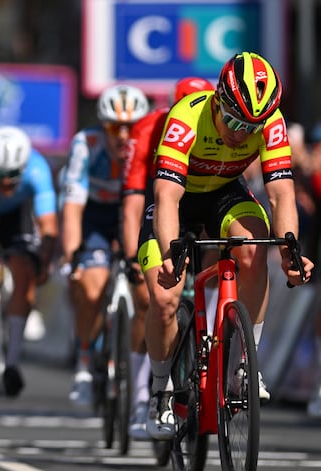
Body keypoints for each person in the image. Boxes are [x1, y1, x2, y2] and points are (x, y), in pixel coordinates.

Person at [140, 52, 314, 439]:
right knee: (165, 299)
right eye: (234, 121)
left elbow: (282, 194)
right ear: (218, 99)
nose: (239, 133)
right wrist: (171, 251)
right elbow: (167, 196)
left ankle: (243, 368)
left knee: (255, 249)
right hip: (179, 199)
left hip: (224, 192)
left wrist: (290, 252)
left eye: (250, 127)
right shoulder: (187, 116)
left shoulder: (270, 122)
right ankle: (158, 390)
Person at [121, 77, 214, 439]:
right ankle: (156, 392)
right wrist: (133, 256)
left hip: (205, 204)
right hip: (158, 207)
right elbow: (132, 200)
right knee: (158, 301)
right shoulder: (149, 128)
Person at [59, 84, 150, 408]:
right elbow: (72, 208)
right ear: (102, 126)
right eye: (114, 127)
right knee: (92, 285)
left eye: (131, 127)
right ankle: (85, 362)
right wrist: (72, 257)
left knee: (146, 289)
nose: (123, 136)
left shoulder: (152, 143)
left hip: (135, 211)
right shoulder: (87, 144)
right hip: (96, 214)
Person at [0, 125, 58, 397]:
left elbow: (48, 225)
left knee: (25, 272)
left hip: (17, 219)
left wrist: (43, 263)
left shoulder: (37, 169)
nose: (6, 184)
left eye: (13, 177)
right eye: (0, 176)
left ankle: (13, 361)